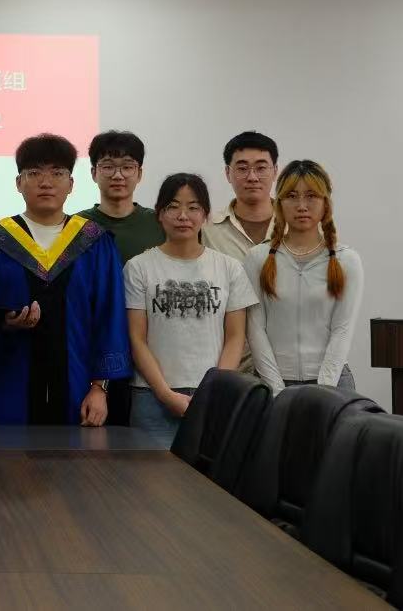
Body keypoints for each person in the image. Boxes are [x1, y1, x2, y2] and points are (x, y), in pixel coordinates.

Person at [0, 133, 131, 426]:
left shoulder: (95, 242)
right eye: (34, 173)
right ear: (19, 183)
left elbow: (109, 317)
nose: (46, 182)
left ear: (71, 184)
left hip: (78, 388)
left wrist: (99, 388)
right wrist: (4, 324)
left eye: (57, 173)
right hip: (7, 385)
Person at [125, 173, 256, 446]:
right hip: (151, 397)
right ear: (159, 214)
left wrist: (214, 390)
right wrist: (165, 394)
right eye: (173, 207)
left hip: (213, 397)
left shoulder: (229, 268)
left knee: (209, 473)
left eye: (193, 207)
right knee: (152, 474)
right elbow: (136, 338)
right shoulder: (138, 267)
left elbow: (235, 337)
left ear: (205, 215)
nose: (183, 216)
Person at [244, 160, 364, 395]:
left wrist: (323, 391)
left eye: (311, 196)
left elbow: (342, 330)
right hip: (272, 383)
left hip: (332, 382)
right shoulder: (257, 258)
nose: (301, 206)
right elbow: (255, 329)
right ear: (279, 203)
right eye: (291, 196)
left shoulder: (347, 259)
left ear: (325, 203)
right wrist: (277, 390)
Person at [203, 130, 278, 374]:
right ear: (228, 173)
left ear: (275, 171)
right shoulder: (207, 230)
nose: (252, 177)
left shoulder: (298, 227)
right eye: (242, 168)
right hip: (229, 362)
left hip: (287, 364)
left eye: (261, 168)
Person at [78, 130, 164, 264]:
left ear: (139, 174)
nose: (118, 175)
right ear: (94, 173)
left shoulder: (160, 223)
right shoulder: (76, 226)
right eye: (108, 167)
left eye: (127, 167)